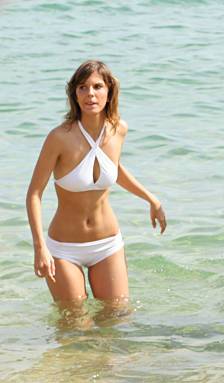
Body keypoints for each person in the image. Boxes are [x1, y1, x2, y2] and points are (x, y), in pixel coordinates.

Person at [26, 60, 166, 317]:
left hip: (108, 244)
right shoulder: (59, 137)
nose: (90, 93)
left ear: (109, 91)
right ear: (74, 94)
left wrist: (151, 199)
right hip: (64, 249)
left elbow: (113, 169)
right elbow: (34, 193)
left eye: (97, 86)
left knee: (117, 319)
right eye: (83, 87)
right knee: (75, 324)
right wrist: (39, 248)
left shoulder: (118, 129)